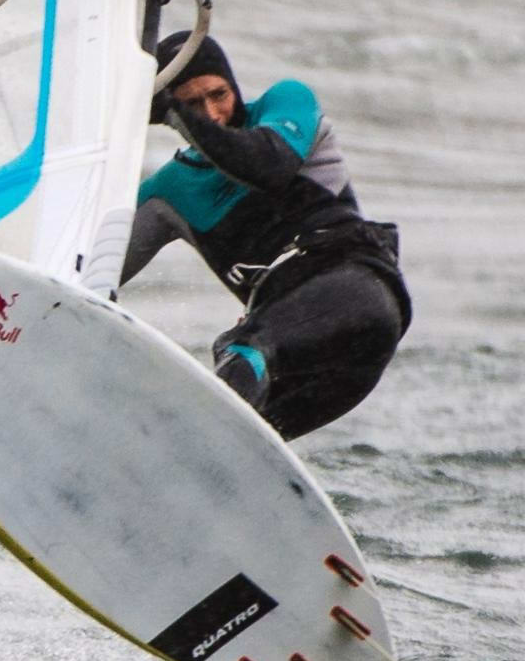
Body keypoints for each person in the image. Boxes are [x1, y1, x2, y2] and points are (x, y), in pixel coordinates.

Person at [122, 34, 408, 440]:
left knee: (243, 349)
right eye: (192, 103)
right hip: (293, 349)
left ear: (233, 86)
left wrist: (175, 112)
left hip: (358, 294)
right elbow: (91, 269)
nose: (212, 113)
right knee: (244, 438)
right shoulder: (169, 193)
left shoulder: (285, 105)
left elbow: (268, 166)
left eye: (219, 94)